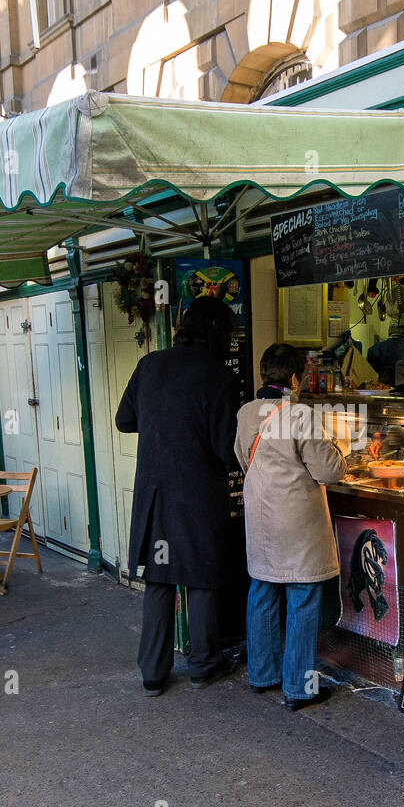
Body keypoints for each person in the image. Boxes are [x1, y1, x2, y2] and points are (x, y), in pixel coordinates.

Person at [115, 295, 240, 696]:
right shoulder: (220, 377)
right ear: (218, 333)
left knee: (160, 578)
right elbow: (225, 449)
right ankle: (204, 666)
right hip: (199, 495)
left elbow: (124, 419)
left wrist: (162, 426)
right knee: (201, 578)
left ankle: (153, 673)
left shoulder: (150, 364)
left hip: (155, 493)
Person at [235, 343, 347, 710]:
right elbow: (328, 470)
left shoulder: (247, 412)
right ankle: (299, 687)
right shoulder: (301, 414)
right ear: (296, 378)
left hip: (261, 513)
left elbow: (242, 457)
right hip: (296, 517)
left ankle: (263, 675)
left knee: (263, 589)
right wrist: (341, 453)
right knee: (303, 596)